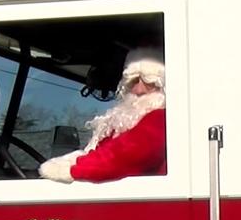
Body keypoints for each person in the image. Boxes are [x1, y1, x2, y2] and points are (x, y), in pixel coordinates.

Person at [39, 47, 167, 183]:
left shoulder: (160, 120)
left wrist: (71, 169)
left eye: (150, 83)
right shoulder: (123, 123)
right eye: (134, 81)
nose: (139, 90)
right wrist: (72, 160)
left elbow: (124, 157)